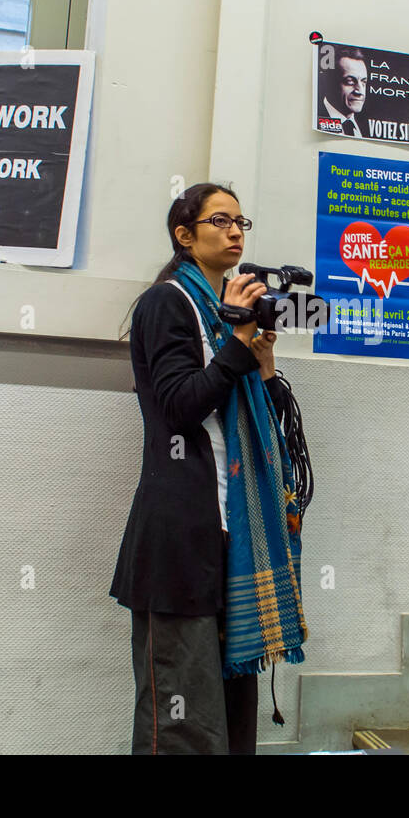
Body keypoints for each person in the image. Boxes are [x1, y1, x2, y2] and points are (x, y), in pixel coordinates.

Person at [110, 182, 308, 753]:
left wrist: (262, 362)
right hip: (180, 543)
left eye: (242, 222)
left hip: (232, 539)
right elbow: (178, 407)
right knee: (181, 717)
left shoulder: (227, 318)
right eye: (220, 220)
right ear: (184, 235)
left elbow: (267, 426)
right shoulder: (167, 303)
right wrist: (239, 341)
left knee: (230, 712)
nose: (235, 231)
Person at [319, 46, 371, 138]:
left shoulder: (368, 127)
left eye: (363, 82)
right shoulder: (316, 117)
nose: (360, 91)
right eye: (350, 82)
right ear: (330, 83)